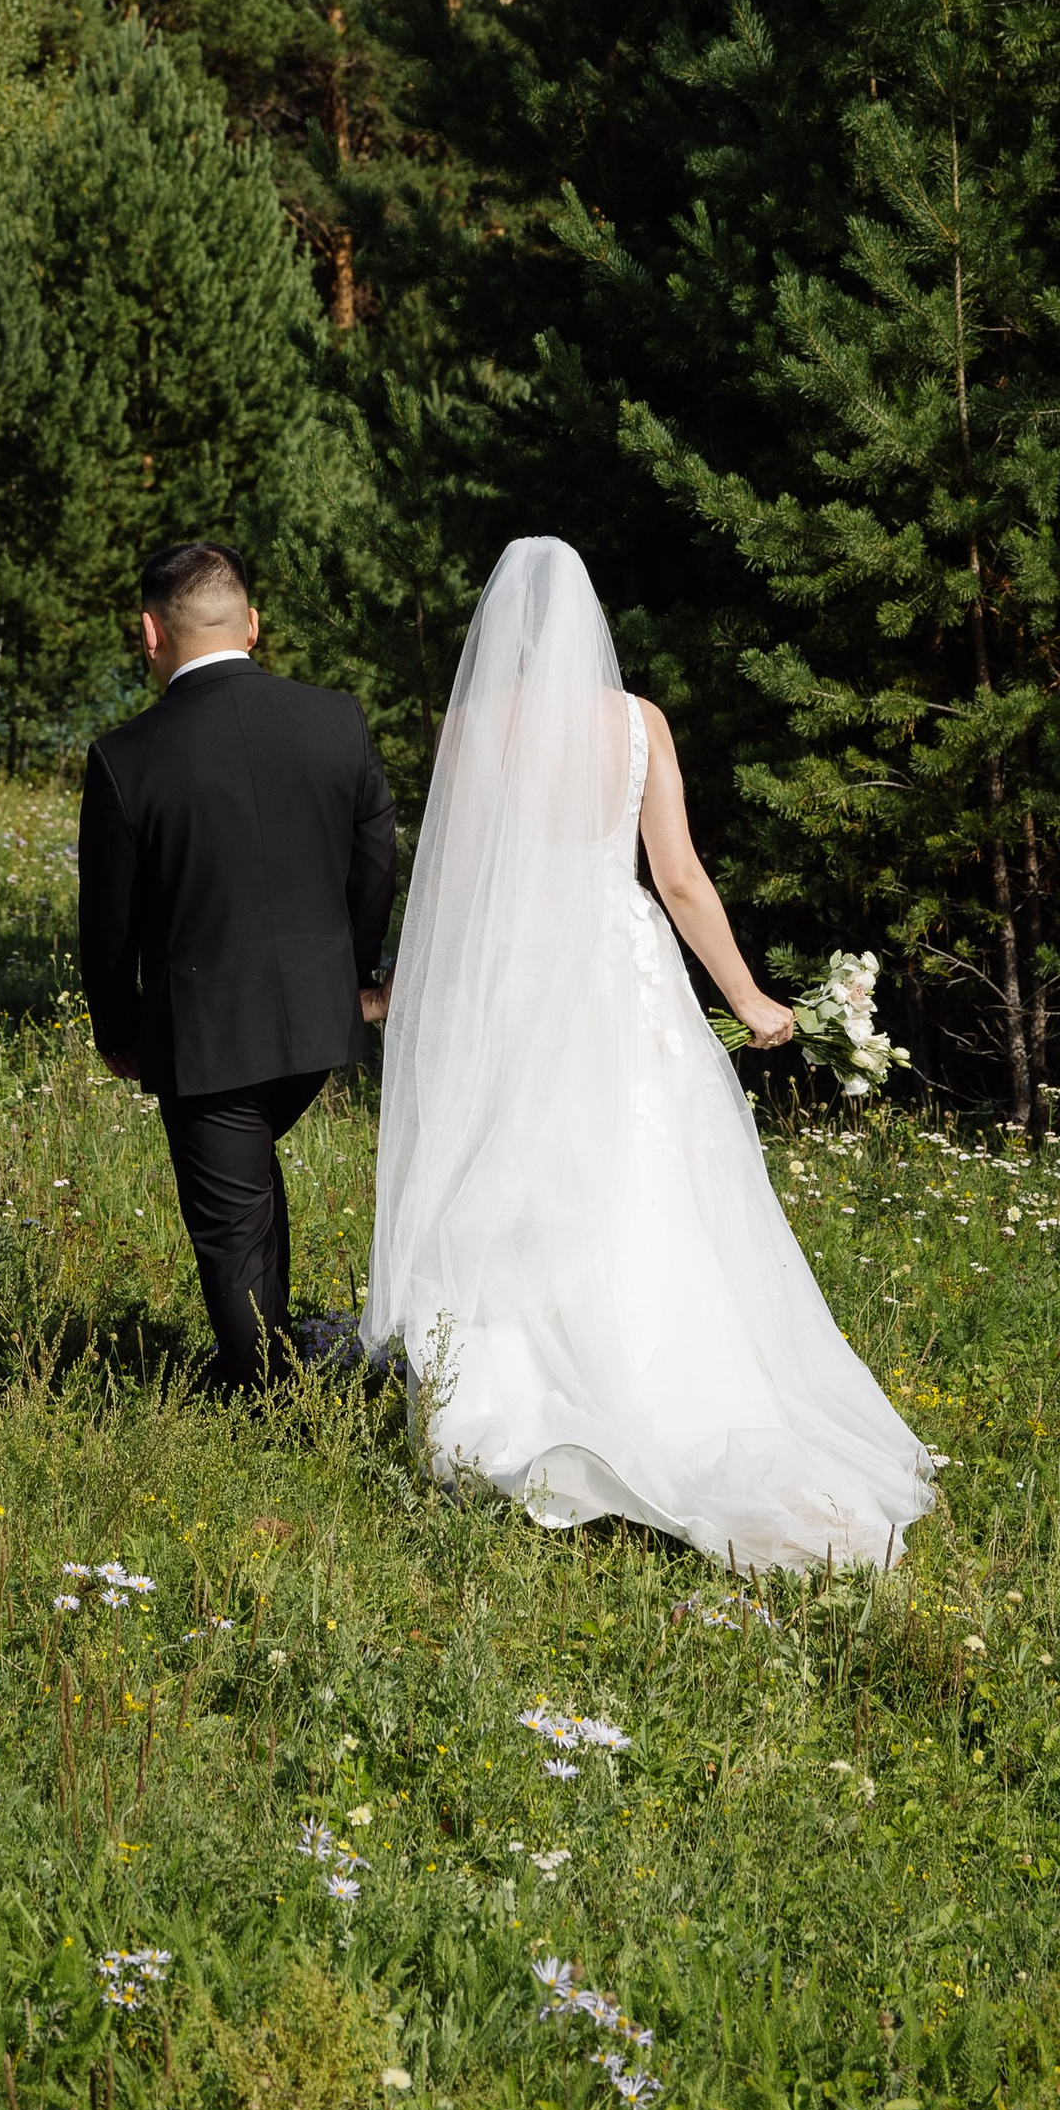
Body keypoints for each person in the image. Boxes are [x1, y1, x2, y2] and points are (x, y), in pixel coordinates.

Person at [364, 535, 932, 1569]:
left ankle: (511, 1394)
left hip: (513, 967)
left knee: (510, 1164)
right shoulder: (637, 724)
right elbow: (677, 879)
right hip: (617, 961)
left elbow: (449, 877)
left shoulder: (476, 722)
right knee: (643, 1168)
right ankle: (663, 1373)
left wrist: (403, 986)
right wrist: (749, 996)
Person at [78, 539, 395, 1394]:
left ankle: (265, 1402)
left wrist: (118, 1031)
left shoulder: (125, 757)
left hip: (208, 1034)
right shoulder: (337, 718)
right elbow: (375, 861)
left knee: (229, 1220)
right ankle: (276, 1354)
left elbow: (108, 923)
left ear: (150, 634)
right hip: (319, 1024)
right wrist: (357, 978)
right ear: (252, 625)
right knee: (246, 1192)